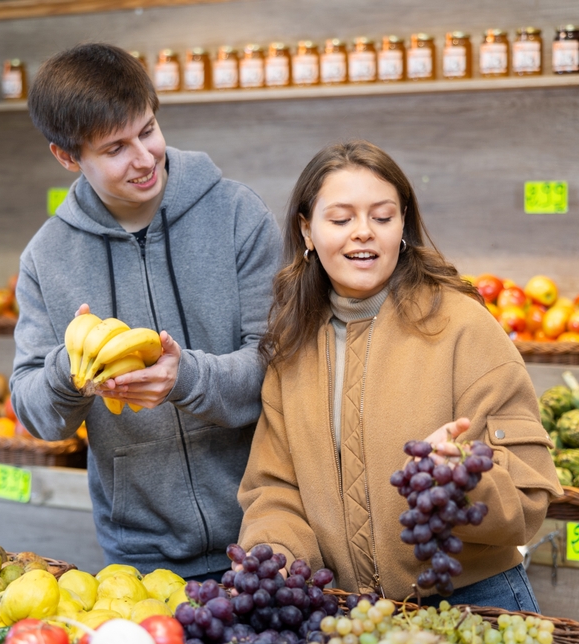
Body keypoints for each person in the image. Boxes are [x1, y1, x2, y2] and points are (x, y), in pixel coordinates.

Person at [236, 140, 562, 611]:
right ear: (307, 230)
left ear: (403, 224)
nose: (363, 233)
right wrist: (277, 560)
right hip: (351, 613)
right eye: (341, 219)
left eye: (382, 217)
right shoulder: (292, 347)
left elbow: (531, 493)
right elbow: (275, 489)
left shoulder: (463, 326)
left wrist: (459, 482)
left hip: (476, 603)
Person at [11, 43, 281, 580]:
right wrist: (69, 371)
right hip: (141, 555)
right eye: (115, 148)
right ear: (67, 156)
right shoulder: (47, 257)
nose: (143, 158)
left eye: (148, 131)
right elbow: (35, 413)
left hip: (271, 529)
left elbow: (280, 363)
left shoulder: (236, 214)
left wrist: (188, 377)